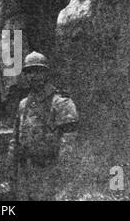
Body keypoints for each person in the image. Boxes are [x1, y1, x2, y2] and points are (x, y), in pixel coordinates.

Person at [8, 51, 78, 200]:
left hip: (50, 170)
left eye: (37, 71)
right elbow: (16, 138)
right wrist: (12, 166)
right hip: (27, 171)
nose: (32, 76)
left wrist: (62, 171)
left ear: (45, 74)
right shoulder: (23, 105)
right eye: (28, 72)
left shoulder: (61, 103)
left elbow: (69, 141)